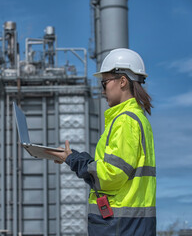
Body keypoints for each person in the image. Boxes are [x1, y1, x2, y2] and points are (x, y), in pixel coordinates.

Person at [46, 48, 156, 236]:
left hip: (120, 227)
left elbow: (111, 175)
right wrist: (71, 157)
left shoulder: (125, 121)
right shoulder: (137, 119)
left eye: (104, 83)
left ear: (122, 81)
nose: (102, 89)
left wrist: (73, 159)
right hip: (130, 226)